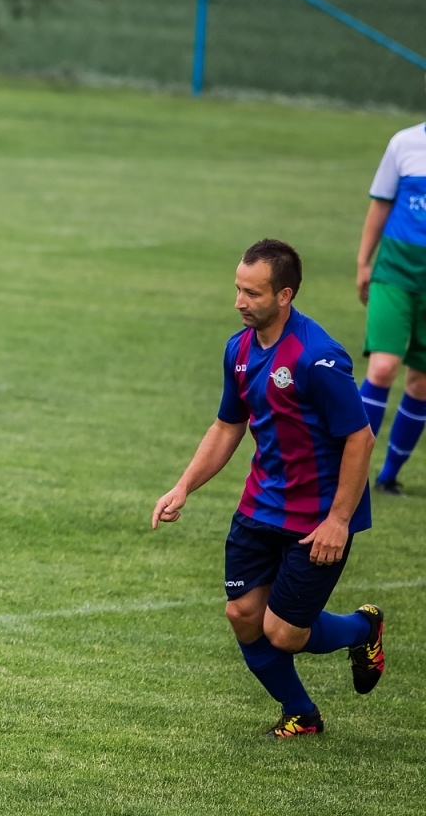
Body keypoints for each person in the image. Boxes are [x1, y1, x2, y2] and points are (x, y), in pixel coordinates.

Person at [152, 239, 385, 737]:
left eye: (252, 293)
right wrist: (183, 487)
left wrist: (339, 521)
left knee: (283, 632)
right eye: (237, 289)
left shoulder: (318, 358)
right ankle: (301, 713)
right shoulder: (237, 350)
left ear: (284, 295)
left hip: (317, 518)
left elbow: (359, 439)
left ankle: (364, 628)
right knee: (242, 614)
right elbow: (226, 427)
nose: (239, 301)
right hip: (260, 507)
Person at [355, 121, 426, 493]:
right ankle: (352, 468)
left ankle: (389, 476)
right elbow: (381, 204)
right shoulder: (405, 143)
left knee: (421, 382)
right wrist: (364, 262)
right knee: (382, 368)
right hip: (395, 273)